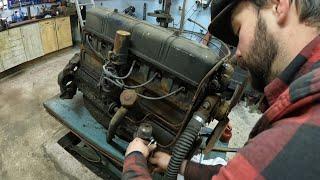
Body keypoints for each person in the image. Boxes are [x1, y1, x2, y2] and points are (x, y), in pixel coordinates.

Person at [122, 0, 320, 179]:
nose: (237, 54)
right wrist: (177, 165)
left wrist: (134, 157)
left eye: (238, 29)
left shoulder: (299, 130)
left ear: (278, 5)